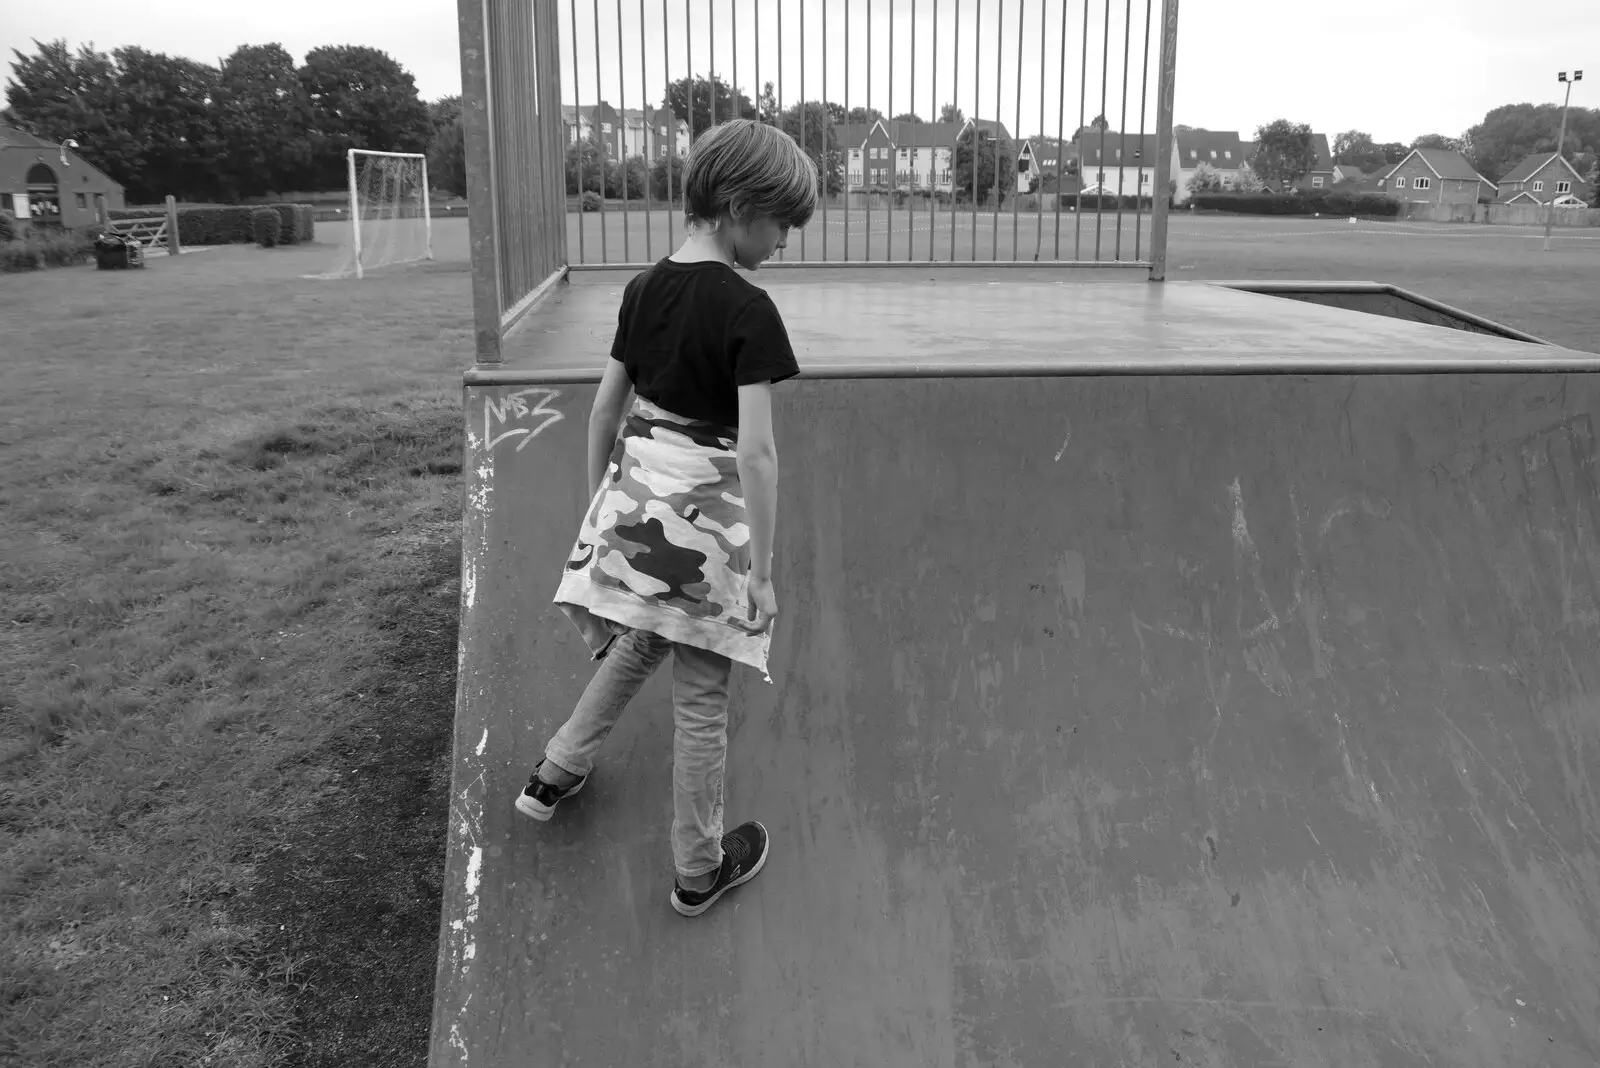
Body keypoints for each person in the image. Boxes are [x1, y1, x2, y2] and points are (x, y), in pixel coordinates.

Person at [515, 119, 817, 918]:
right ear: (740, 206)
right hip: (707, 540)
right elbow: (756, 456)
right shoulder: (750, 310)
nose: (785, 241)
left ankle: (555, 771)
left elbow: (603, 413)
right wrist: (764, 573)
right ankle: (698, 870)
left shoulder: (642, 289)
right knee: (701, 701)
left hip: (634, 518)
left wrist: (597, 512)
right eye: (782, 222)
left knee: (642, 634)